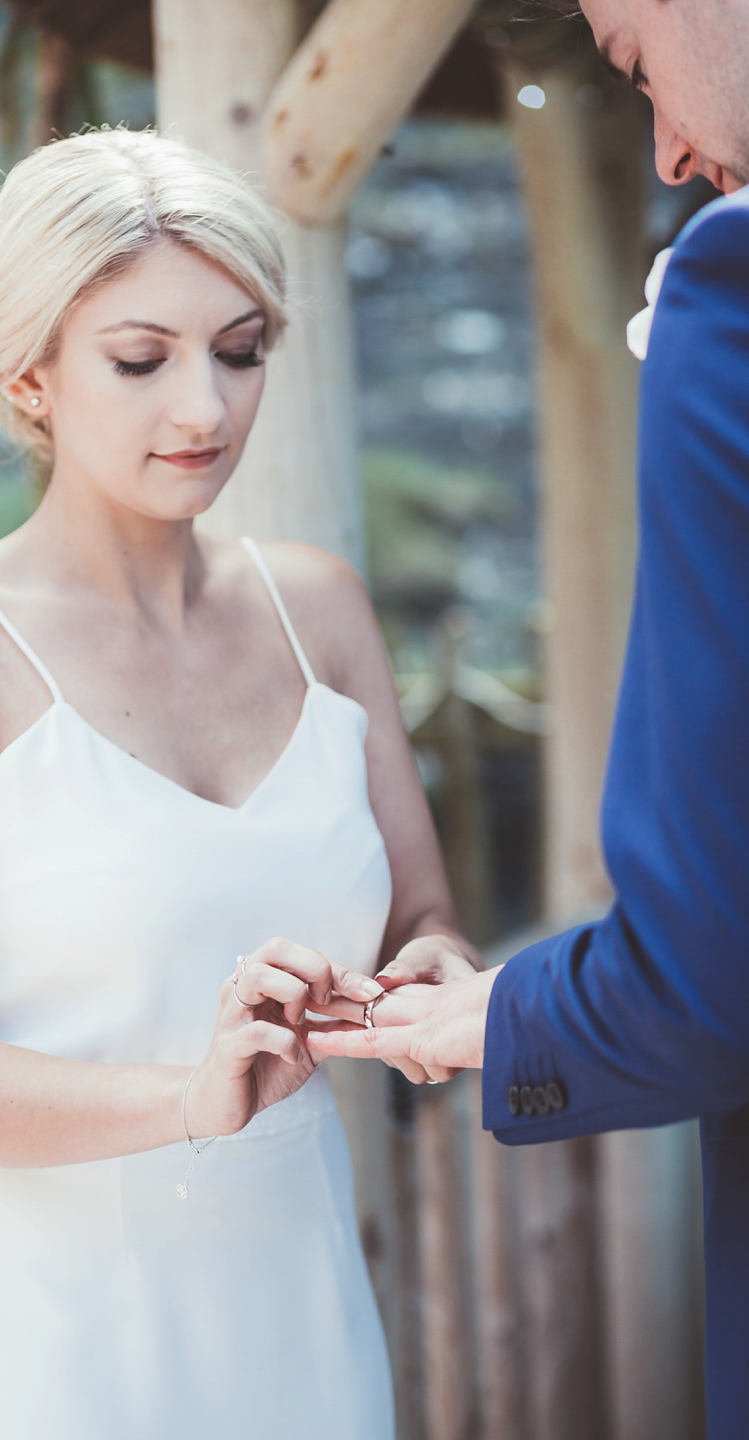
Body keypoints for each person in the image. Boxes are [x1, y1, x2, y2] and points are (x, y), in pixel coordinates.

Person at [0, 127, 478, 1439]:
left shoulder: (321, 610)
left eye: (241, 353)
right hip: (50, 1335)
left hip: (298, 1299)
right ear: (27, 374)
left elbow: (423, 912)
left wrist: (433, 973)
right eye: (142, 360)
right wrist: (190, 1100)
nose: (209, 407)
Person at [310, 3, 749, 1436]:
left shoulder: (731, 292)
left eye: (637, 68)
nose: (674, 156)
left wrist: (502, 1019)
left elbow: (701, 988)